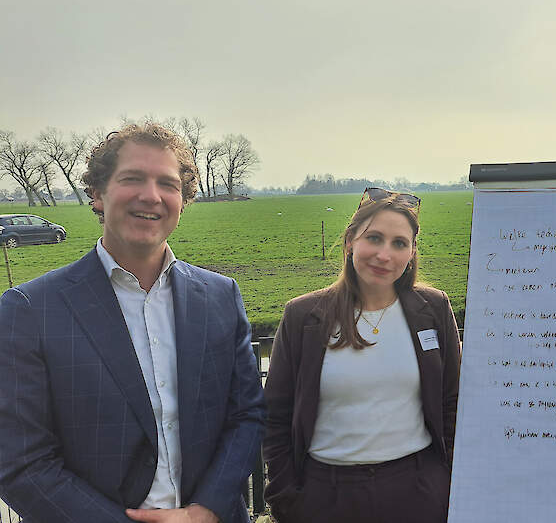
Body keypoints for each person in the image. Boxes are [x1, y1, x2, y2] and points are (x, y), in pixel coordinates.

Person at [0, 123, 266, 523]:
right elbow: (22, 461)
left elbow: (246, 415)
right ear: (97, 194)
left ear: (184, 198)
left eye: (167, 183)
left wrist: (205, 511)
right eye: (132, 179)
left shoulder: (219, 296)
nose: (151, 196)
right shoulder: (30, 309)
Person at [263, 188, 461, 523]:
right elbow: (275, 416)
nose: (385, 254)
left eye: (399, 243)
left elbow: (453, 402)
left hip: (418, 494)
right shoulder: (303, 315)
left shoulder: (434, 308)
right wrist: (287, 498)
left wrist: (449, 481)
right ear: (351, 240)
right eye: (374, 238)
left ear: (412, 252)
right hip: (325, 498)